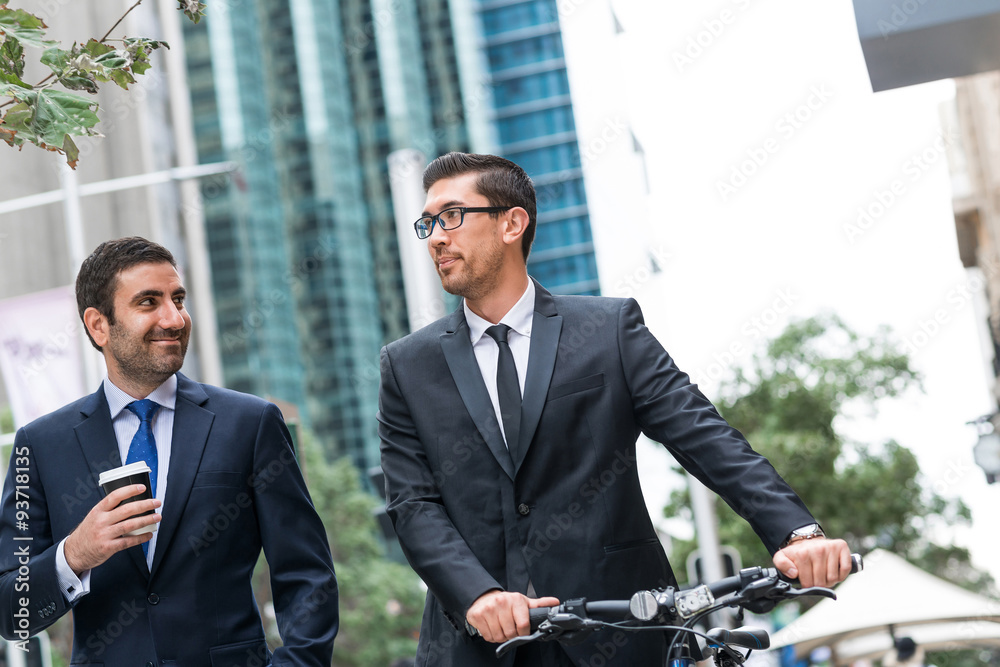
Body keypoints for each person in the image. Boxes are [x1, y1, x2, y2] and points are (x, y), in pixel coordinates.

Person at [377, 153, 852, 666]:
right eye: (428, 223)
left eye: (451, 216)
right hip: (475, 644)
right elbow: (413, 504)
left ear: (511, 223)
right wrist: (477, 594)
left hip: (620, 627)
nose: (435, 237)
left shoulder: (608, 330)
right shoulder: (406, 365)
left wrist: (797, 533)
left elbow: (702, 434)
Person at [0, 237, 338, 666]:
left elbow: (306, 574)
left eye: (178, 299)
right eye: (148, 302)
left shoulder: (249, 424)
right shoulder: (41, 446)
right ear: (99, 325)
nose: (174, 318)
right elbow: (12, 611)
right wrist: (76, 554)